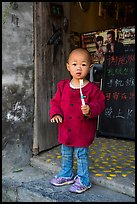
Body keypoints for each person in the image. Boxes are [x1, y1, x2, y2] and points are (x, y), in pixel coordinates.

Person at [49, 48, 105, 193]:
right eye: (74, 64)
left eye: (83, 64)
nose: (78, 68)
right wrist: (56, 113)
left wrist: (90, 109)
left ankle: (84, 179)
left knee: (81, 155)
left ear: (90, 67)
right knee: (66, 153)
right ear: (68, 66)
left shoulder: (92, 90)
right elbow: (55, 102)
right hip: (65, 129)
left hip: (82, 131)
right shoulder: (62, 86)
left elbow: (100, 104)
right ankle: (67, 174)